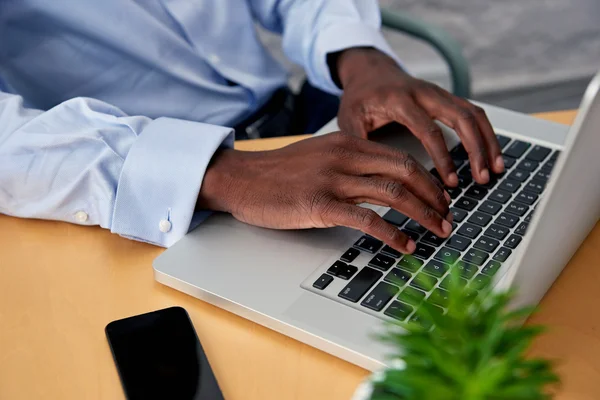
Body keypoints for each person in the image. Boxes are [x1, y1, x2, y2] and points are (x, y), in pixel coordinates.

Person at [0, 1, 504, 254]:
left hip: (296, 119)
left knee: (464, 202)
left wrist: (360, 57)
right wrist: (217, 173)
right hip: (153, 188)